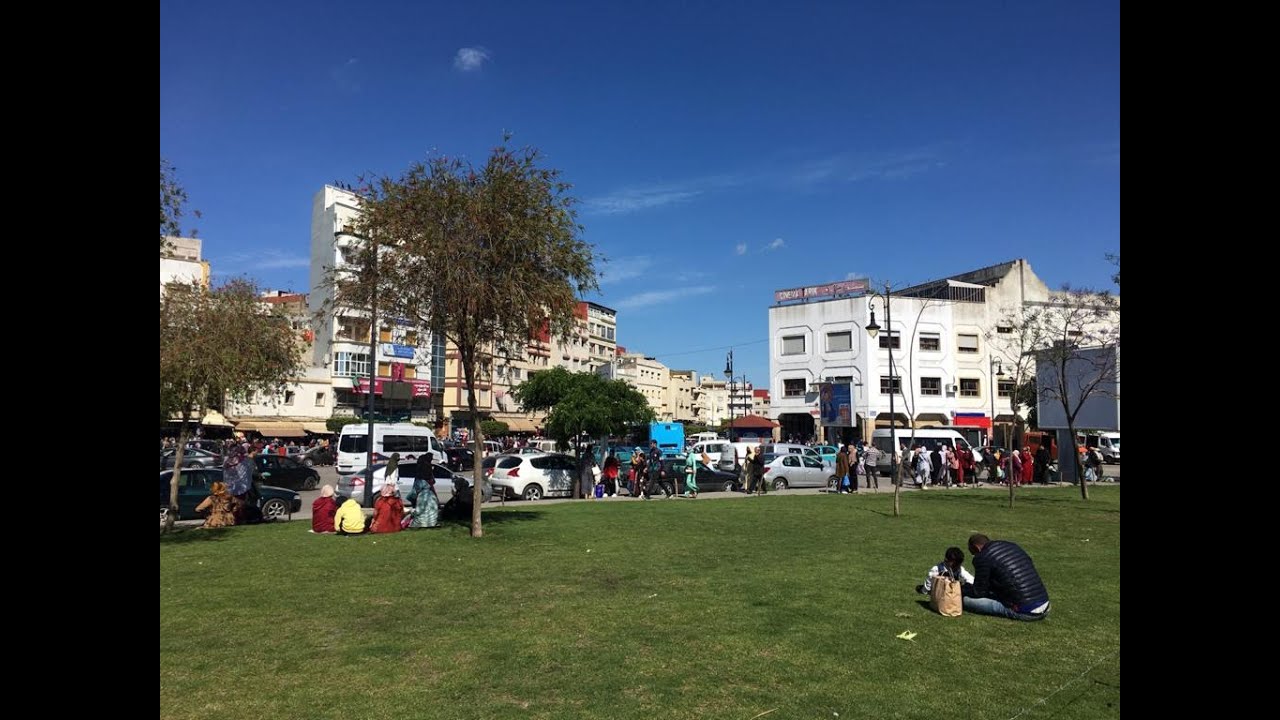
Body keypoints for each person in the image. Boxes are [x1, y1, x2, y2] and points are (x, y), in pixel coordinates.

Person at [961, 533, 1051, 621]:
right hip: (1045, 604)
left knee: (966, 601)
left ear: (976, 548)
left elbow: (979, 592)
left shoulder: (983, 557)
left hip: (1025, 611)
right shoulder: (1011, 546)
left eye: (973, 553)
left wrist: (964, 589)